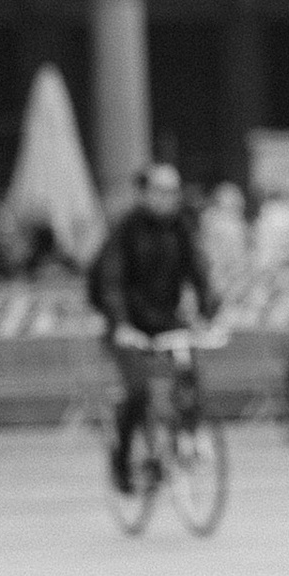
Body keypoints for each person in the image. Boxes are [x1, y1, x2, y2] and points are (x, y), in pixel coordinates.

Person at [89, 161, 215, 496]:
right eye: (160, 190)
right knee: (138, 390)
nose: (168, 198)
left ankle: (187, 437)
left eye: (173, 191)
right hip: (128, 325)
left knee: (189, 371)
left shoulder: (180, 227)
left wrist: (206, 312)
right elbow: (110, 281)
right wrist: (120, 323)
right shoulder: (126, 229)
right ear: (144, 192)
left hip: (165, 321)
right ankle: (122, 462)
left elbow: (198, 271)